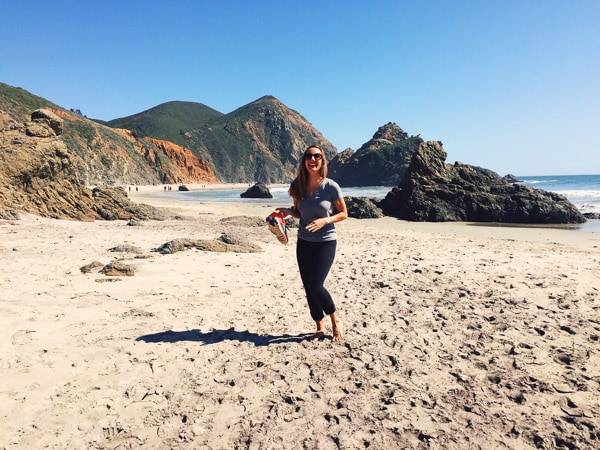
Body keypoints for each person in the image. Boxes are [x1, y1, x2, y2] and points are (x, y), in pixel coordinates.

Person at [277, 145, 348, 341]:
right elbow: (300, 212)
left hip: (326, 242)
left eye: (317, 156)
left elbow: (344, 214)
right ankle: (319, 325)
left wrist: (325, 220)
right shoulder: (296, 186)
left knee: (316, 285)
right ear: (304, 161)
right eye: (308, 156)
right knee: (308, 287)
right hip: (304, 242)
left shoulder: (331, 186)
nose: (313, 159)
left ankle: (335, 320)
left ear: (322, 160)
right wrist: (288, 212)